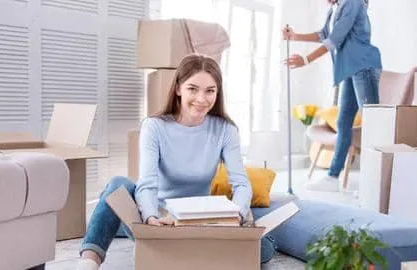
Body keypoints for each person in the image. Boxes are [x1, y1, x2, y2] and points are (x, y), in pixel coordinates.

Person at [76, 54, 277, 270]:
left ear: (217, 93)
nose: (201, 99)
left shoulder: (225, 130)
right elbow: (147, 183)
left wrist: (235, 215)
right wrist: (151, 218)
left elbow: (241, 183)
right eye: (193, 89)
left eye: (210, 91)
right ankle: (88, 263)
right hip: (160, 221)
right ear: (179, 88)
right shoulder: (154, 126)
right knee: (117, 185)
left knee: (264, 250)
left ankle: (183, 254)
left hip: (200, 221)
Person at [283, 0, 381, 192]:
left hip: (363, 66)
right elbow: (324, 34)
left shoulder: (353, 2)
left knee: (374, 122)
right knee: (344, 120)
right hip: (349, 69)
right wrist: (295, 36)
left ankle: (376, 181)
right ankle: (332, 178)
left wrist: (305, 59)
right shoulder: (335, 7)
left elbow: (334, 39)